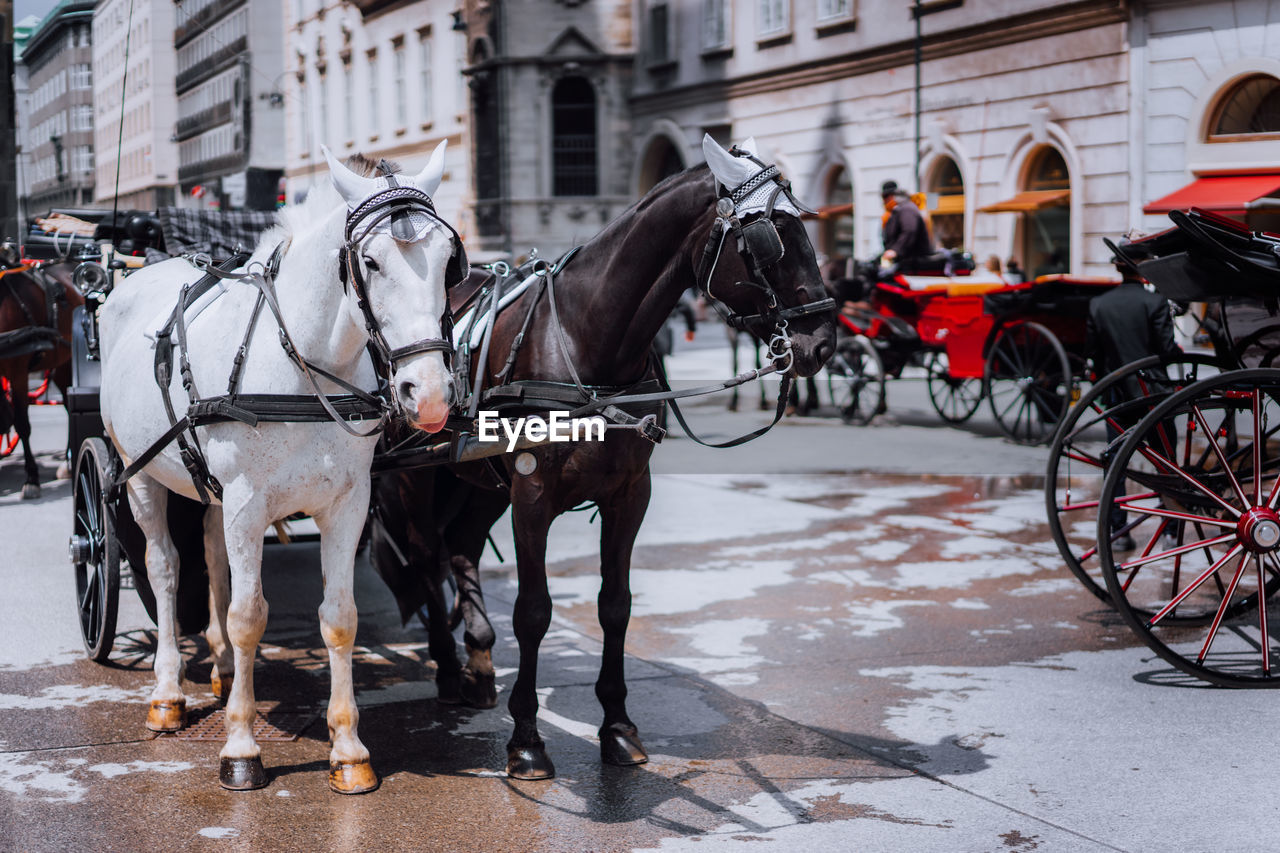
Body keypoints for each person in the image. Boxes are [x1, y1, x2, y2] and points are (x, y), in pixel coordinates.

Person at [1087, 243, 1182, 550]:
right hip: (1153, 394)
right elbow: (1166, 352)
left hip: (1117, 395)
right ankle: (1171, 531)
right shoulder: (1155, 303)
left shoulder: (1099, 305)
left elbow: (1096, 359)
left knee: (1115, 465)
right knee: (1167, 464)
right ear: (1143, 269)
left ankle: (1118, 531)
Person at [879, 180, 933, 271]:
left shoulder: (906, 209)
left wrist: (895, 250)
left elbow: (910, 230)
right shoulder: (896, 211)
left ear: (892, 196)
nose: (883, 201)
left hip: (913, 263)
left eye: (885, 197)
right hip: (905, 262)